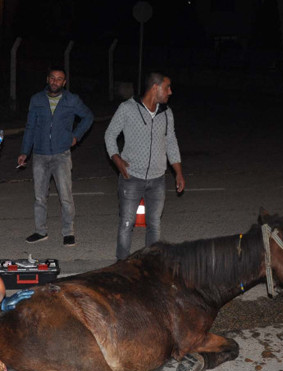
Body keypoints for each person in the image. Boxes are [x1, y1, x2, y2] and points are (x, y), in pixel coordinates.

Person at [104, 72, 185, 260]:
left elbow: (171, 142)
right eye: (167, 87)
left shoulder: (166, 113)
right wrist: (116, 159)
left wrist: (178, 172)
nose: (170, 92)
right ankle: (122, 264)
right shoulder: (127, 108)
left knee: (154, 223)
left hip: (158, 178)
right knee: (126, 223)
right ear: (155, 88)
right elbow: (110, 135)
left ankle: (151, 265)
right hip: (131, 177)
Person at [18, 67, 94, 247]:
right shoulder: (36, 100)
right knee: (39, 197)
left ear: (64, 82)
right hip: (40, 154)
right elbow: (30, 127)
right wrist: (24, 151)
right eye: (52, 78)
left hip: (61, 154)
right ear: (47, 79)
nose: (55, 82)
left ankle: (68, 232)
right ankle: (40, 231)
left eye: (59, 79)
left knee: (65, 196)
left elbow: (88, 117)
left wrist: (76, 136)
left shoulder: (72, 99)